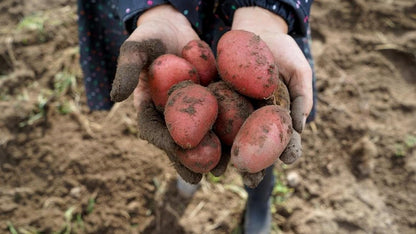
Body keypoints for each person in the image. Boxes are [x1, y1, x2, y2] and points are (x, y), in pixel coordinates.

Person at [77, 1, 316, 233]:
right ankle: (199, 171)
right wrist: (152, 9)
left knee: (264, 136)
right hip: (176, 17)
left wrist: (268, 14)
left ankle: (260, 200)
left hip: (256, 20)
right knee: (183, 143)